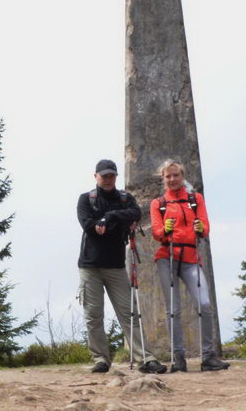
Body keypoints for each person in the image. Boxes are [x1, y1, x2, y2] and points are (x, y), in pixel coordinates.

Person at [77, 159, 166, 374]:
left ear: (116, 177)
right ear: (96, 176)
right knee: (93, 315)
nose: (108, 179)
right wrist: (117, 222)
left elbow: (136, 213)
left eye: (111, 175)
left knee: (130, 314)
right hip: (90, 266)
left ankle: (146, 358)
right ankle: (101, 360)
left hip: (116, 266)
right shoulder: (86, 199)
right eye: (104, 176)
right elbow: (88, 225)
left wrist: (109, 217)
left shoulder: (125, 198)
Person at [149, 160, 230, 372]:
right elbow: (157, 233)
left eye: (176, 175)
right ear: (163, 178)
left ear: (182, 176)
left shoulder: (195, 199)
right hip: (167, 257)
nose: (172, 179)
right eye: (168, 176)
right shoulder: (158, 203)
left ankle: (208, 357)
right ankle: (179, 359)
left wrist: (200, 227)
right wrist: (165, 230)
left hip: (191, 257)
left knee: (204, 304)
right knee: (173, 309)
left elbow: (205, 228)